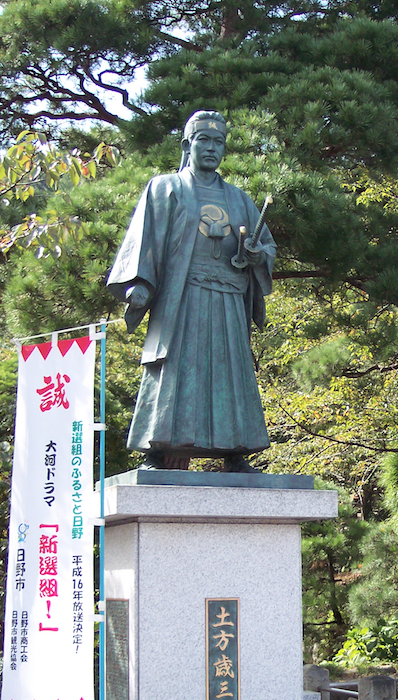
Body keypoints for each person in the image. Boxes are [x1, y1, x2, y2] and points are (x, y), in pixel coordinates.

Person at [107, 110, 276, 472]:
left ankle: (236, 450)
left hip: (228, 300)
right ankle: (157, 449)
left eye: (219, 142)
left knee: (230, 371)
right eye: (204, 140)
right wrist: (139, 283)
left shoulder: (239, 200)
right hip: (182, 297)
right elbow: (145, 238)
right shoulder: (165, 187)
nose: (212, 148)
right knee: (174, 369)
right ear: (187, 144)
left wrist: (256, 255)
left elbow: (265, 246)